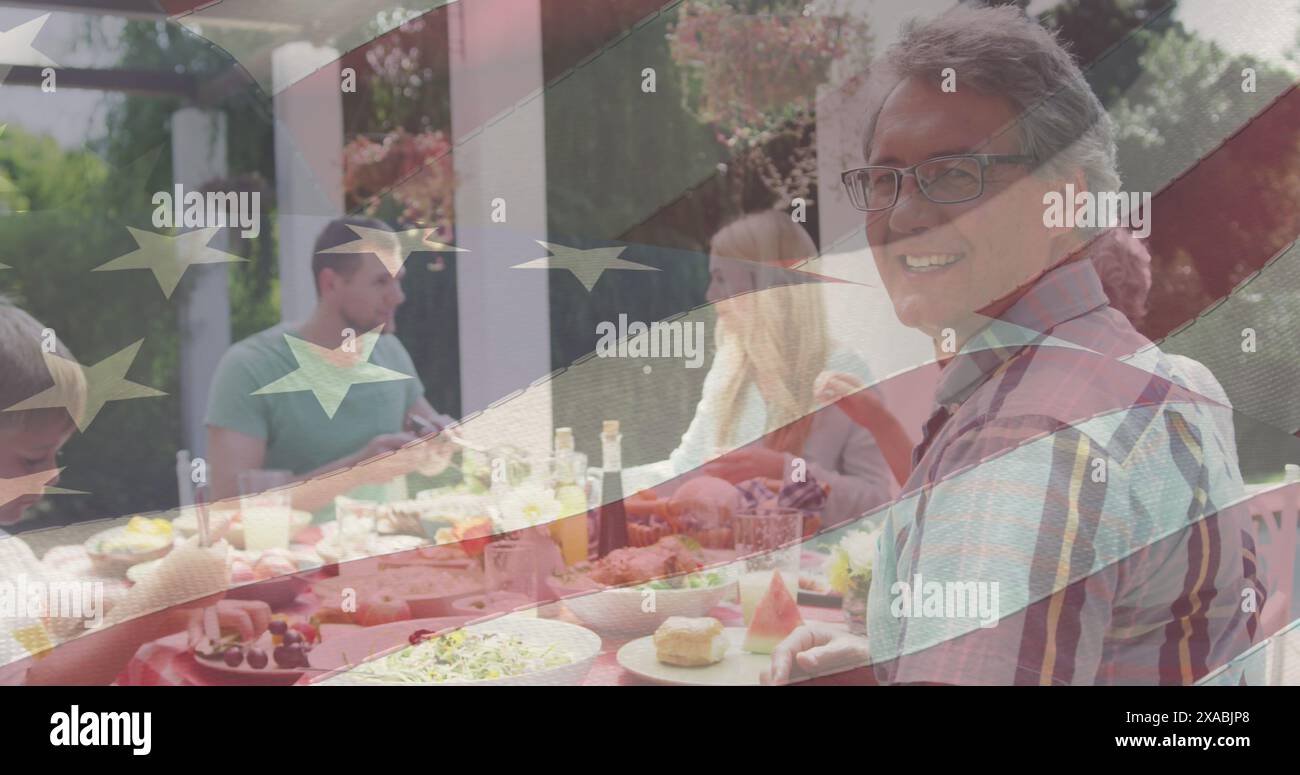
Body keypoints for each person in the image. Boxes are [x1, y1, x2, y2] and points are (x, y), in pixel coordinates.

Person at [765, 6, 1262, 685]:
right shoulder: (1174, 378)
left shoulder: (1027, 439)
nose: (904, 216)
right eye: (886, 179)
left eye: (954, 172)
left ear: (1062, 199)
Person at [0, 294, 268, 685]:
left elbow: (48, 617)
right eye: (33, 457)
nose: (53, 474)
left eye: (57, 453)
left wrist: (175, 612)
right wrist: (152, 602)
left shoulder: (11, 553)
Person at [632, 209, 895, 526]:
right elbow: (686, 470)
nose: (710, 295)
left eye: (722, 279)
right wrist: (600, 485)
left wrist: (783, 469)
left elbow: (875, 502)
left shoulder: (842, 371)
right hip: (728, 562)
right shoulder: (730, 366)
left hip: (810, 569)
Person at [205, 216, 453, 512]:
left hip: (385, 550)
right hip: (292, 556)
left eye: (398, 280)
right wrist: (356, 470)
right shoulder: (249, 367)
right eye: (380, 281)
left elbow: (429, 456)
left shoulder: (390, 352)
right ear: (331, 283)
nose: (398, 297)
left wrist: (440, 445)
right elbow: (228, 506)